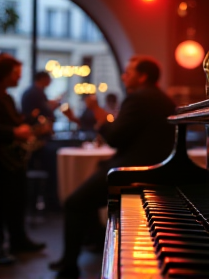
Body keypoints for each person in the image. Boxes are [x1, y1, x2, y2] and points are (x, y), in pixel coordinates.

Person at [49, 55, 176, 279]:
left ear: (142, 76)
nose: (124, 76)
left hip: (132, 171)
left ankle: (69, 266)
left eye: (129, 72)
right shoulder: (163, 99)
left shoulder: (138, 98)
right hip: (155, 169)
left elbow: (115, 138)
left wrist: (98, 112)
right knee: (86, 196)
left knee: (74, 202)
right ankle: (98, 242)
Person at [0, 53, 46, 265]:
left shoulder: (7, 96)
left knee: (17, 201)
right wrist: (14, 132)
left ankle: (18, 241)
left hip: (12, 161)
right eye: (16, 73)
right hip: (3, 160)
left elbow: (14, 121)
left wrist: (27, 124)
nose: (19, 78)